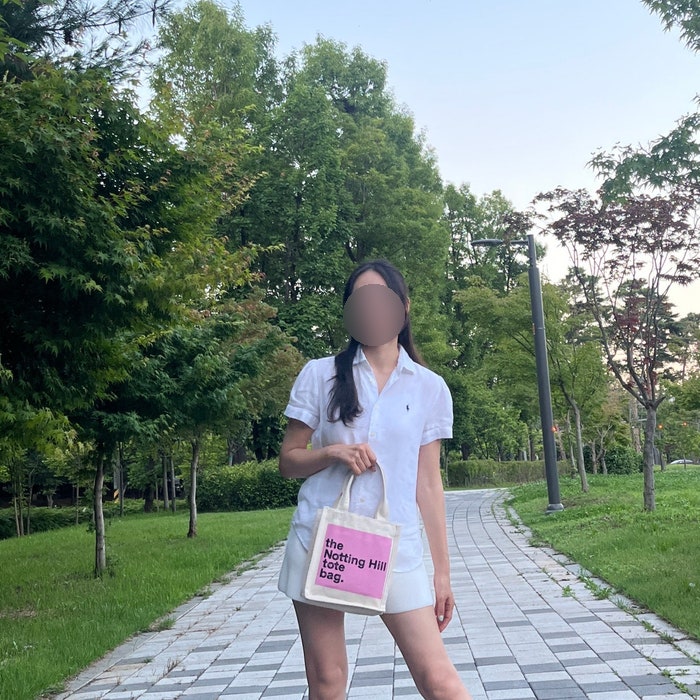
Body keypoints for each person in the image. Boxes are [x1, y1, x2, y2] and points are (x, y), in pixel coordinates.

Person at [278, 259, 472, 700]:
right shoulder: (320, 374)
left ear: (403, 307)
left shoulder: (429, 387)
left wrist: (442, 573)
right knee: (328, 681)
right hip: (323, 542)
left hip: (396, 547)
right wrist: (332, 453)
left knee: (439, 680)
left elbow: (428, 483)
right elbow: (288, 461)